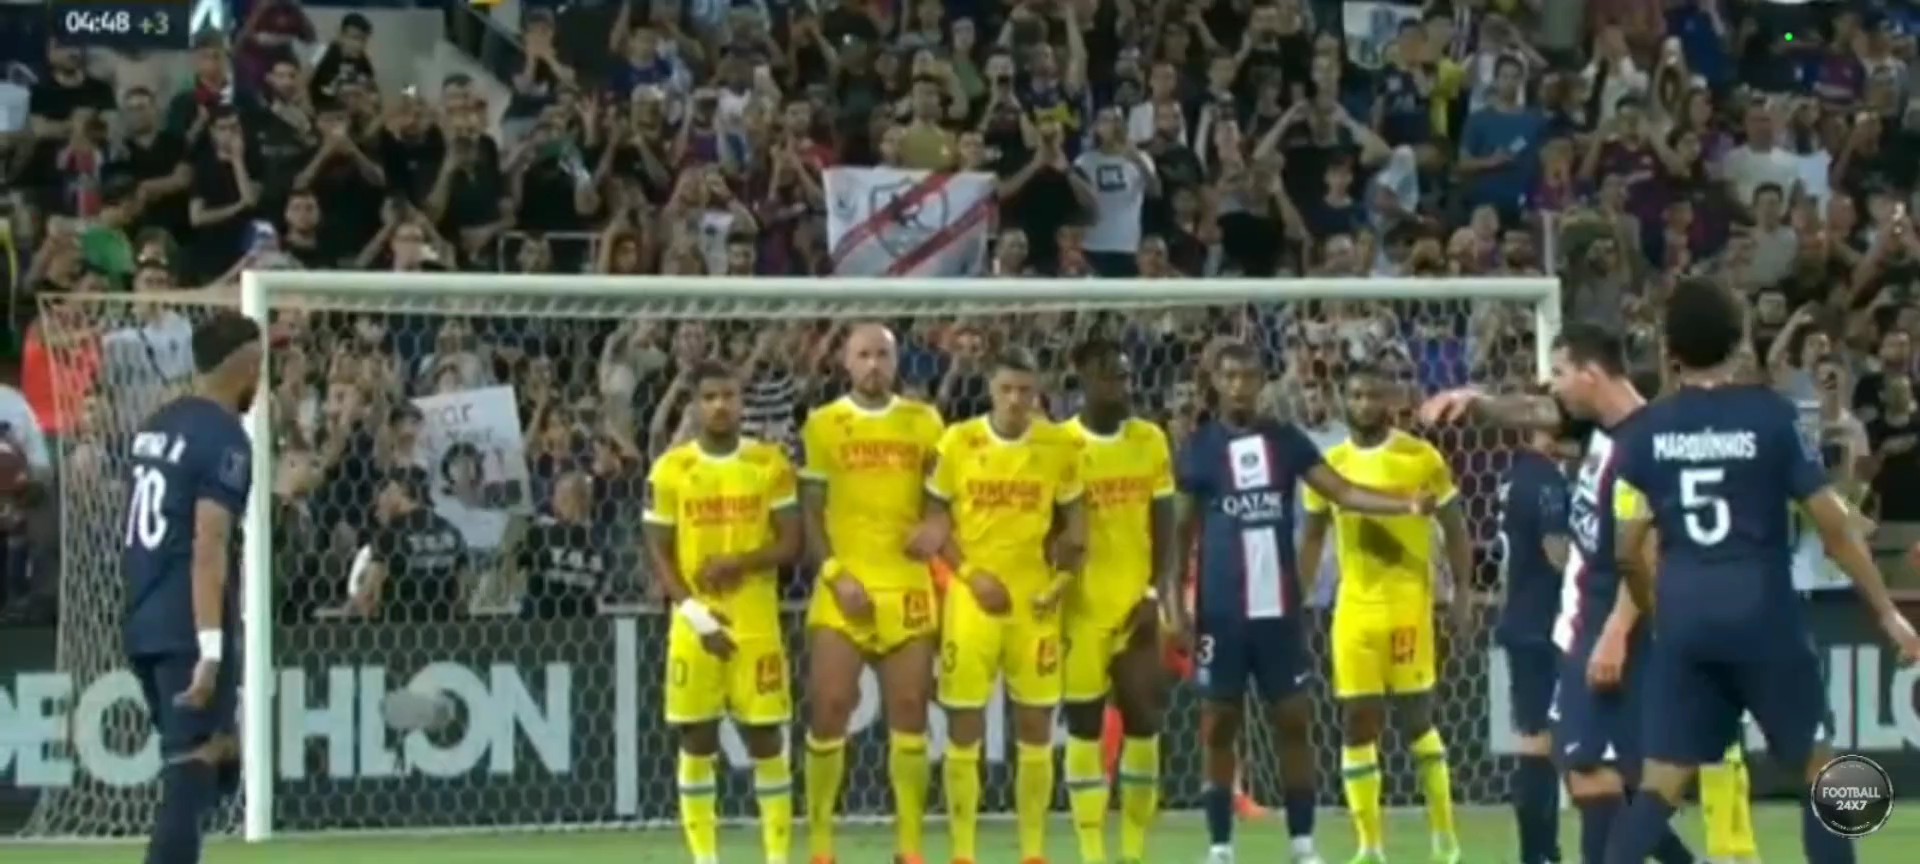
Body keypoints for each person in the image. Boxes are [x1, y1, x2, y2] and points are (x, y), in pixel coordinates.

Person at [1605, 278, 1920, 864]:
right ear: (1740, 340)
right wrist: (1888, 614)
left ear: (1670, 350)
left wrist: (1659, 616)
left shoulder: (1646, 431)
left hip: (1686, 617)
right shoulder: (1771, 417)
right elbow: (1833, 525)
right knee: (1821, 772)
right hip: (1762, 613)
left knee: (1661, 784)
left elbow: (1627, 548)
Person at [1417, 324, 1696, 864]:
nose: (1554, 386)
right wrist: (1477, 402)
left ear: (1591, 375)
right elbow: (1535, 412)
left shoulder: (1649, 443)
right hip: (1582, 626)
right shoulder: (1600, 430)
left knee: (1596, 776)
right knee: (1596, 776)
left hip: (1617, 627)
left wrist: (1616, 631)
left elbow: (1652, 550)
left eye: (1562, 373)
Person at [1176, 343, 1436, 864]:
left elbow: (1342, 492)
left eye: (1249, 376)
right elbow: (1180, 534)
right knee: (1219, 726)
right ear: (1217, 383)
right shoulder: (1199, 448)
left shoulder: (1285, 440)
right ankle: (1220, 845)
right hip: (1221, 614)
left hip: (1279, 612)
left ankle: (1303, 843)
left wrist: (1405, 504)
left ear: (1262, 382)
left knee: (1294, 722)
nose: (1239, 386)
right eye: (1230, 377)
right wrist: (1173, 605)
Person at [1298, 365, 1475, 864]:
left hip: (1408, 609)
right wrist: (1296, 599)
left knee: (1418, 720)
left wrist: (1463, 592)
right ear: (1343, 400)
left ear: (1391, 400)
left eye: (1373, 394)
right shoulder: (1329, 465)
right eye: (1355, 395)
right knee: (1357, 724)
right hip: (1353, 612)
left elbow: (1455, 527)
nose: (1364, 404)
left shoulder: (1420, 457)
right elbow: (1312, 537)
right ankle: (1369, 845)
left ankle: (1444, 835)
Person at [926, 348, 1086, 864]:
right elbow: (935, 521)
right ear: (991, 391)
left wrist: (1060, 582)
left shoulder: (1058, 445)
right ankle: (964, 853)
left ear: (1038, 392)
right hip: (972, 599)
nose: (1016, 400)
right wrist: (971, 575)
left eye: (1025, 390)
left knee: (1037, 727)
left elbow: (1077, 527)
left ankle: (1033, 853)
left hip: (1033, 603)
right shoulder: (958, 442)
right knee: (964, 724)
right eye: (1006, 390)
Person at [643, 361, 802, 864]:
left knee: (765, 737)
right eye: (710, 397)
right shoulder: (670, 470)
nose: (720, 406)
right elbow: (658, 552)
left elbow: (792, 543)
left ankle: (776, 857)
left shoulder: (769, 463)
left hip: (756, 622)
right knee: (698, 736)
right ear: (694, 404)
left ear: (742, 401)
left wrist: (741, 562)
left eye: (729, 395)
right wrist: (696, 615)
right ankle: (706, 859)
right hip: (695, 623)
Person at [798, 323, 946, 864]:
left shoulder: (925, 421)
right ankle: (821, 847)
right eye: (863, 355)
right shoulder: (823, 424)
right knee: (830, 707)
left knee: (910, 710)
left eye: (882, 354)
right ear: (845, 362)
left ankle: (909, 848)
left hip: (906, 583)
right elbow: (810, 510)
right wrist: (834, 573)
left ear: (897, 361)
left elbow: (944, 496)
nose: (873, 365)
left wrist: (938, 525)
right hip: (846, 585)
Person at [121, 311, 261, 864]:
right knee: (193, 767)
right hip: (187, 621)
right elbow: (208, 544)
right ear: (248, 365)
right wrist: (210, 650)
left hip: (144, 614)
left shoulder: (159, 423)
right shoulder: (225, 437)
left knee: (215, 757)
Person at [1060, 338, 1177, 864]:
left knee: (1144, 720)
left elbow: (1166, 526)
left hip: (1136, 606)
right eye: (1108, 375)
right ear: (1083, 379)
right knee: (1084, 727)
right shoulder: (1060, 444)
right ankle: (1092, 853)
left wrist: (1156, 592)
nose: (1120, 386)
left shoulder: (1149, 439)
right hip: (1079, 612)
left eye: (1125, 376)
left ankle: (1132, 853)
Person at [1494, 423, 1572, 864]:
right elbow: (1556, 552)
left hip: (1520, 617)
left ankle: (1541, 852)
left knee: (1535, 737)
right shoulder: (1547, 481)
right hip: (1544, 622)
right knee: (1543, 741)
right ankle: (1539, 853)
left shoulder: (1514, 475)